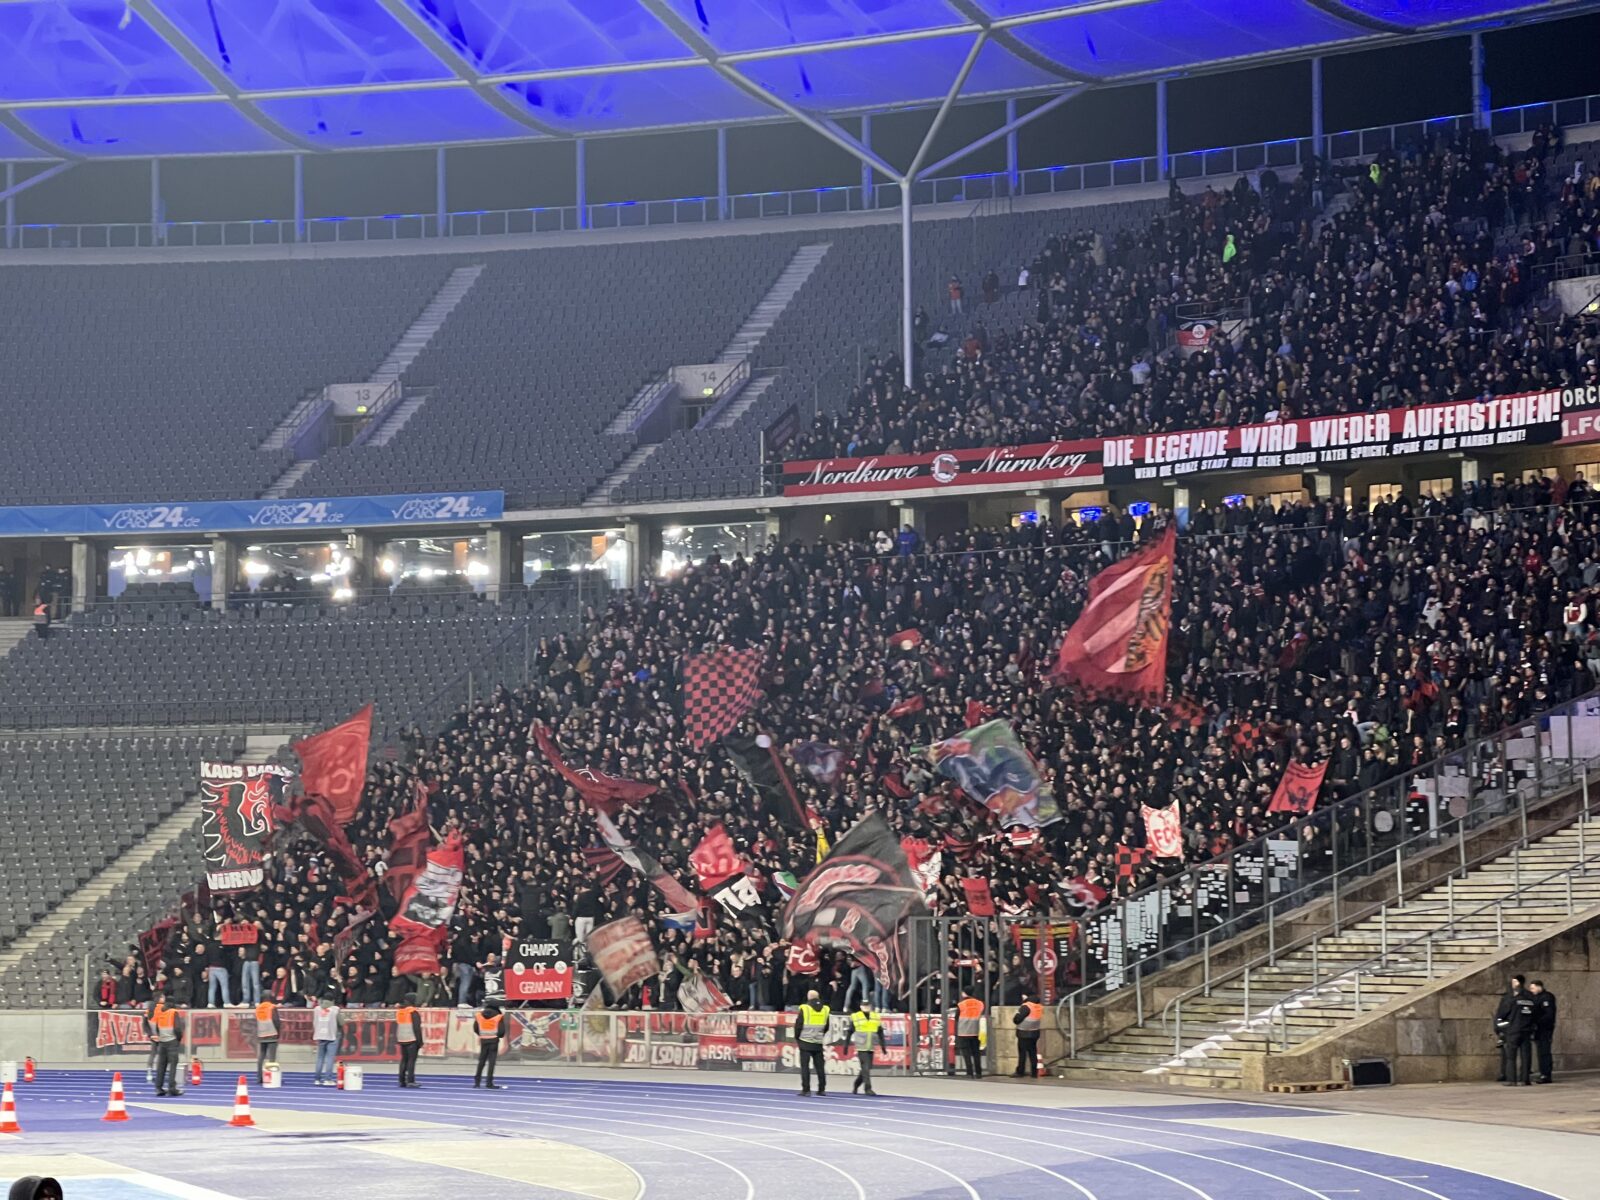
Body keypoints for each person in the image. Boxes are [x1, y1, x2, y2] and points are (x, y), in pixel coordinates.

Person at [1502, 977, 1538, 1086]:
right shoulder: (1531, 1000)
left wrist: (1502, 1029)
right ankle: (1525, 1079)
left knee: (1511, 1057)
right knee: (1526, 1056)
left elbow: (1503, 1015)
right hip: (1526, 1031)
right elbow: (1535, 1015)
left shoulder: (1512, 1000)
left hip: (1514, 1031)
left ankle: (1511, 1080)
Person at [794, 988, 830, 1097]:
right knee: (820, 1067)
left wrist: (797, 1038)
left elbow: (798, 1025)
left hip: (805, 1041)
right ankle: (822, 1089)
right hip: (818, 1042)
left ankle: (806, 1089)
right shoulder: (825, 1009)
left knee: (805, 1067)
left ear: (809, 997)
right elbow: (827, 1026)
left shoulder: (805, 1008)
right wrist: (819, 1035)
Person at [151, 991, 185, 1096]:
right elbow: (178, 1029)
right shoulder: (173, 1012)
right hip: (172, 1042)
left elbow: (156, 1027)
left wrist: (161, 1037)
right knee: (173, 1066)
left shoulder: (160, 1012)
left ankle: (159, 1088)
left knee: (161, 1066)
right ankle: (172, 1088)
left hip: (162, 1042)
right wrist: (178, 1039)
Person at [1493, 974, 1526, 1083]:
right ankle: (1513, 1075)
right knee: (1510, 1054)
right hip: (1514, 1028)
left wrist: (1499, 1027)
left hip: (1512, 1029)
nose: (1513, 984)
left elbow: (1502, 1013)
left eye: (1514, 982)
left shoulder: (1514, 998)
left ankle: (1512, 1078)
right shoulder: (1508, 997)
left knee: (1511, 1055)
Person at [849, 1003, 886, 1097]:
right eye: (864, 1005)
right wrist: (846, 1045)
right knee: (865, 1068)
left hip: (870, 1047)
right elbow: (850, 1031)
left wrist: (883, 1046)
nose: (866, 1007)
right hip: (861, 1047)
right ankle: (868, 1088)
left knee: (866, 1068)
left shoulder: (875, 1017)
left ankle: (856, 1084)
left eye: (868, 1005)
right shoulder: (856, 1016)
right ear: (860, 1007)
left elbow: (880, 1032)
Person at [473, 1000, 508, 1089]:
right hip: (493, 1041)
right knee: (491, 1062)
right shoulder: (498, 1017)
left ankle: (477, 1082)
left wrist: (482, 1034)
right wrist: (497, 1036)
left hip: (483, 1040)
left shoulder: (479, 1016)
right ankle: (489, 1083)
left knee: (481, 1061)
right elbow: (501, 1032)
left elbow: (476, 1029)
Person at [1529, 979, 1557, 1084]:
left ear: (1539, 986)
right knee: (1540, 1052)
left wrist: (1537, 1022)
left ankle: (1546, 1074)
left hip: (1545, 1029)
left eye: (1533, 988)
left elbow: (1548, 1015)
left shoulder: (1547, 997)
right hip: (1537, 1029)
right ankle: (1543, 1073)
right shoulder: (1535, 997)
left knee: (1544, 1052)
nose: (1531, 990)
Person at [955, 988, 984, 1078]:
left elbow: (957, 1017)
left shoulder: (961, 1004)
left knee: (966, 1053)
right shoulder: (980, 1004)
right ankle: (978, 1073)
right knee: (976, 1053)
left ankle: (969, 1072)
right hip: (975, 1031)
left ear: (965, 993)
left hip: (963, 1032)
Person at [312, 995, 341, 1086]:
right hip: (332, 1036)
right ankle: (328, 1079)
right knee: (329, 1058)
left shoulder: (316, 1009)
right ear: (332, 1000)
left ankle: (317, 1079)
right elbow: (342, 1022)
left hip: (320, 1035)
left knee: (320, 1058)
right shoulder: (335, 1009)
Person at [1012, 992, 1042, 1079]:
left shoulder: (1026, 1006)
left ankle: (1020, 1072)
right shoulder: (1038, 1006)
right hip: (1035, 1032)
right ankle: (1034, 1072)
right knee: (1033, 1053)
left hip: (1024, 1033)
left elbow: (1017, 1019)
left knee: (1022, 1053)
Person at [395, 993, 423, 1088]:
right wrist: (420, 1041)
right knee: (411, 1060)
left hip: (402, 1038)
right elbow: (417, 1028)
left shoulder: (400, 1011)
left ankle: (401, 1080)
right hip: (412, 1039)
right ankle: (411, 1080)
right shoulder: (413, 1012)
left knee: (404, 1060)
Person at [254, 996, 279, 1085]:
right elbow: (276, 1021)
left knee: (261, 1056)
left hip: (261, 1034)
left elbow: (256, 1022)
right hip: (272, 1034)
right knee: (272, 1058)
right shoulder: (272, 1007)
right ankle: (271, 1078)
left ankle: (259, 1078)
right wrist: (278, 1033)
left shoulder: (258, 1008)